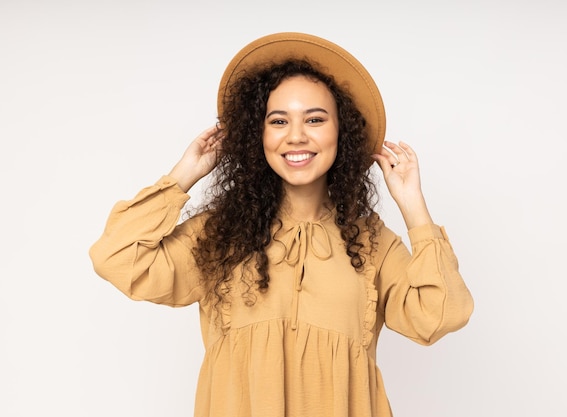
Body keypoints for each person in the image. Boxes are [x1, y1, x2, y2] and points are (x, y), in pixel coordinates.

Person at [89, 32, 474, 417]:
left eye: (315, 119)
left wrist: (413, 208)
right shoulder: (220, 235)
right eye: (278, 121)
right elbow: (117, 258)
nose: (296, 136)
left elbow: (440, 315)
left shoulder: (371, 243)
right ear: (258, 134)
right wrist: (183, 176)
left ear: (342, 132)